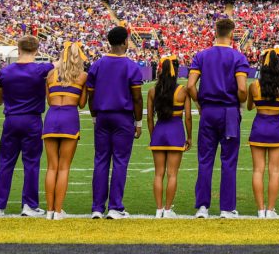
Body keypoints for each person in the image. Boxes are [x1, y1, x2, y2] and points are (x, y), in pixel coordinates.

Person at [186, 18, 250, 219]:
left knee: (205, 160)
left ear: (215, 32)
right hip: (229, 112)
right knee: (228, 161)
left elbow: (190, 86)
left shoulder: (201, 55)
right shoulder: (238, 58)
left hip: (209, 111)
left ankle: (202, 207)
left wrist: (199, 104)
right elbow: (241, 89)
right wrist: (240, 102)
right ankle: (227, 208)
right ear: (232, 34)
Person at [0, 35, 54, 217]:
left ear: (18, 49)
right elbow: (57, 64)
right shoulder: (41, 69)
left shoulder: (6, 71)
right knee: (31, 164)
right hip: (32, 120)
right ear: (36, 50)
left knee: (5, 163)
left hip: (11, 119)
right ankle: (29, 205)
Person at [86, 26, 144, 219]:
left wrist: (94, 116)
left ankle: (97, 207)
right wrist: (139, 122)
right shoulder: (131, 66)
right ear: (124, 42)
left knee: (101, 161)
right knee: (120, 162)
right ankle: (115, 206)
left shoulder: (97, 65)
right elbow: (137, 98)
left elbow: (91, 96)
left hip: (102, 117)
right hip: (123, 117)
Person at [248, 47, 279, 218]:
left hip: (259, 127)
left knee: (258, 170)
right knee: (274, 171)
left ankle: (260, 210)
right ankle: (270, 209)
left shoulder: (254, 85)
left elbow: (249, 106)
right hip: (276, 127)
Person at [43, 41, 88, 221]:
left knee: (51, 167)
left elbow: (48, 101)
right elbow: (82, 103)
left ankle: (49, 211)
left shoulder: (50, 75)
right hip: (69, 118)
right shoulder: (83, 76)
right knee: (64, 168)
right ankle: (58, 210)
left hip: (52, 117)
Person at [147, 54, 191, 218]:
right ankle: (167, 209)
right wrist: (190, 137)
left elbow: (150, 118)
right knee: (172, 174)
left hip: (159, 132)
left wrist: (153, 135)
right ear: (176, 69)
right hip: (176, 132)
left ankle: (158, 210)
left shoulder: (152, 90)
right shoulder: (182, 91)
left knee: (159, 173)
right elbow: (187, 117)